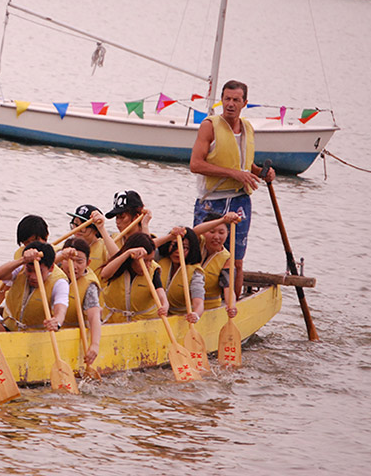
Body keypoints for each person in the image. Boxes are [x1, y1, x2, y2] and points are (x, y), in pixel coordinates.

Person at [190, 80, 276, 299]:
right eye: (227, 99)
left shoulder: (247, 128)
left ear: (244, 103)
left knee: (235, 260)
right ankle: (197, 301)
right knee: (202, 253)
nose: (230, 104)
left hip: (240, 200)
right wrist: (234, 173)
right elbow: (195, 165)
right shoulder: (209, 126)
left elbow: (245, 166)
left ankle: (233, 306)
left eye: (235, 100)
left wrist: (260, 173)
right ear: (221, 100)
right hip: (212, 201)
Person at [99, 232, 169, 323]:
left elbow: (160, 291)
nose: (147, 265)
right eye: (144, 261)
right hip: (114, 321)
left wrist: (165, 305)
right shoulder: (119, 264)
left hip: (143, 323)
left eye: (150, 260)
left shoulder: (153, 269)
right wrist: (127, 253)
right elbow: (104, 274)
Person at [1, 241, 69, 332]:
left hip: (37, 335)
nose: (33, 277)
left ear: (51, 268)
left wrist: (57, 321)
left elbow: (61, 307)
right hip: (9, 328)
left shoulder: (60, 282)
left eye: (39, 272)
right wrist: (22, 260)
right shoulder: (22, 267)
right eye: (29, 270)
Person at [56, 237, 101, 364]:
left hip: (69, 332)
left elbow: (94, 316)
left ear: (88, 263)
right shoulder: (53, 273)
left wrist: (94, 345)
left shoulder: (89, 286)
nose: (73, 266)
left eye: (79, 261)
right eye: (68, 260)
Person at [156, 227, 205, 324]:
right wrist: (170, 237)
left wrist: (196, 314)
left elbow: (199, 303)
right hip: (158, 315)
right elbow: (147, 246)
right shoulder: (159, 260)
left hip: (180, 318)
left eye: (185, 247)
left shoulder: (195, 273)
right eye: (175, 245)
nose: (178, 251)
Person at [65, 204, 119, 283]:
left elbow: (117, 258)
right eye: (75, 224)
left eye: (84, 226)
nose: (78, 229)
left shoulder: (104, 245)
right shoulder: (69, 245)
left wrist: (101, 228)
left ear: (95, 229)